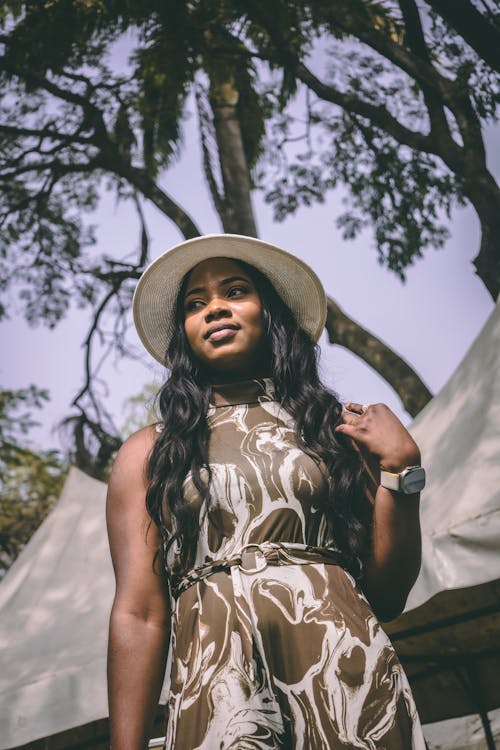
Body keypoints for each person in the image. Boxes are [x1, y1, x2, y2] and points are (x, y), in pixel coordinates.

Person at [106, 234, 427, 750]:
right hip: (218, 691)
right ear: (184, 333)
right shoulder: (150, 452)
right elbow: (139, 613)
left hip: (346, 676)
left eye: (234, 291)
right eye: (196, 303)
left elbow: (388, 595)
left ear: (269, 313)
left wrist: (401, 472)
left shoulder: (335, 430)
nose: (214, 308)